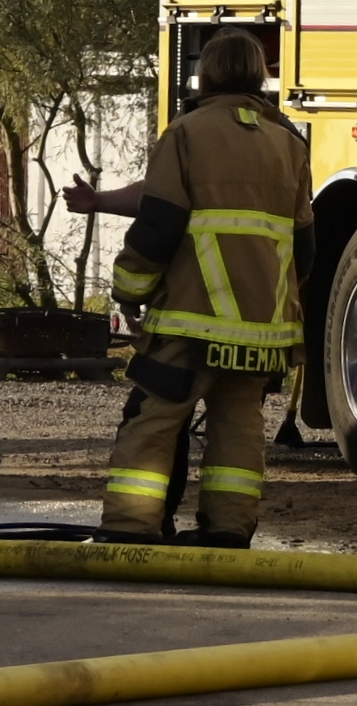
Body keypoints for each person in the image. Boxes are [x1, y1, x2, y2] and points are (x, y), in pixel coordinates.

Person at [99, 28, 312, 547]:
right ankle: (228, 533)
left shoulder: (186, 134)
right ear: (260, 76)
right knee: (238, 427)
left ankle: (131, 530)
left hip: (191, 322)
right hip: (262, 330)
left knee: (153, 421)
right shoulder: (289, 144)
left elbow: (159, 224)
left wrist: (129, 290)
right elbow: (305, 248)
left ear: (206, 75)